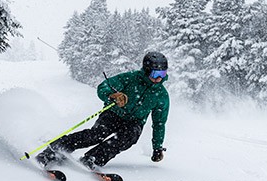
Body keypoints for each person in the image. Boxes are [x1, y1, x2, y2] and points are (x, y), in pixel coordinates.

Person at [36, 51, 170, 170]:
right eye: (156, 73)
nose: (159, 78)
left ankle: (93, 158)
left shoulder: (162, 96)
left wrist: (157, 147)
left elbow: (159, 123)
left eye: (163, 73)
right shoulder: (130, 78)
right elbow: (103, 86)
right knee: (97, 134)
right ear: (146, 71)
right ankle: (53, 150)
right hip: (114, 114)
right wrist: (112, 95)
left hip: (134, 122)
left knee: (129, 137)